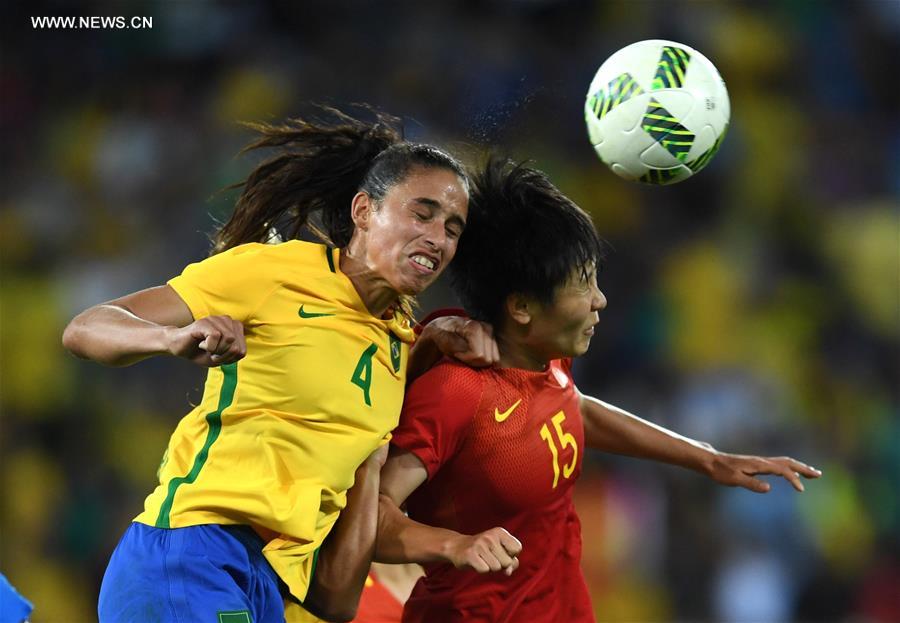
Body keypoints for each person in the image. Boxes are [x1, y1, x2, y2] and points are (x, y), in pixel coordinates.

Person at [61, 106, 498, 623]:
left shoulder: (395, 343)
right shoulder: (273, 272)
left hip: (269, 586)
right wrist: (171, 337)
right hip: (192, 553)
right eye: (421, 214)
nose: (438, 238)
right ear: (363, 212)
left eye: (452, 228)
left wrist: (432, 345)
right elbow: (86, 328)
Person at [374, 158, 823, 622]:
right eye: (582, 284)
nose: (599, 300)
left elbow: (574, 410)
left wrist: (708, 458)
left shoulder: (548, 358)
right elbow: (372, 516)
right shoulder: (456, 392)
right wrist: (456, 545)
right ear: (522, 306)